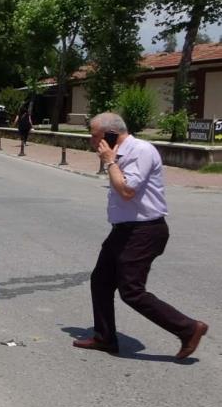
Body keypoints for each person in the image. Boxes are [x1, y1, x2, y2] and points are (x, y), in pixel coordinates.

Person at [74, 112, 209, 359]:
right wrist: (111, 160)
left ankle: (189, 328)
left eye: (94, 136)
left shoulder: (141, 151)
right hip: (123, 230)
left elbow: (127, 190)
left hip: (145, 230)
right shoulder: (120, 153)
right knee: (101, 281)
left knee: (131, 291)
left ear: (110, 134)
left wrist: (110, 162)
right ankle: (105, 338)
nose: (91, 141)